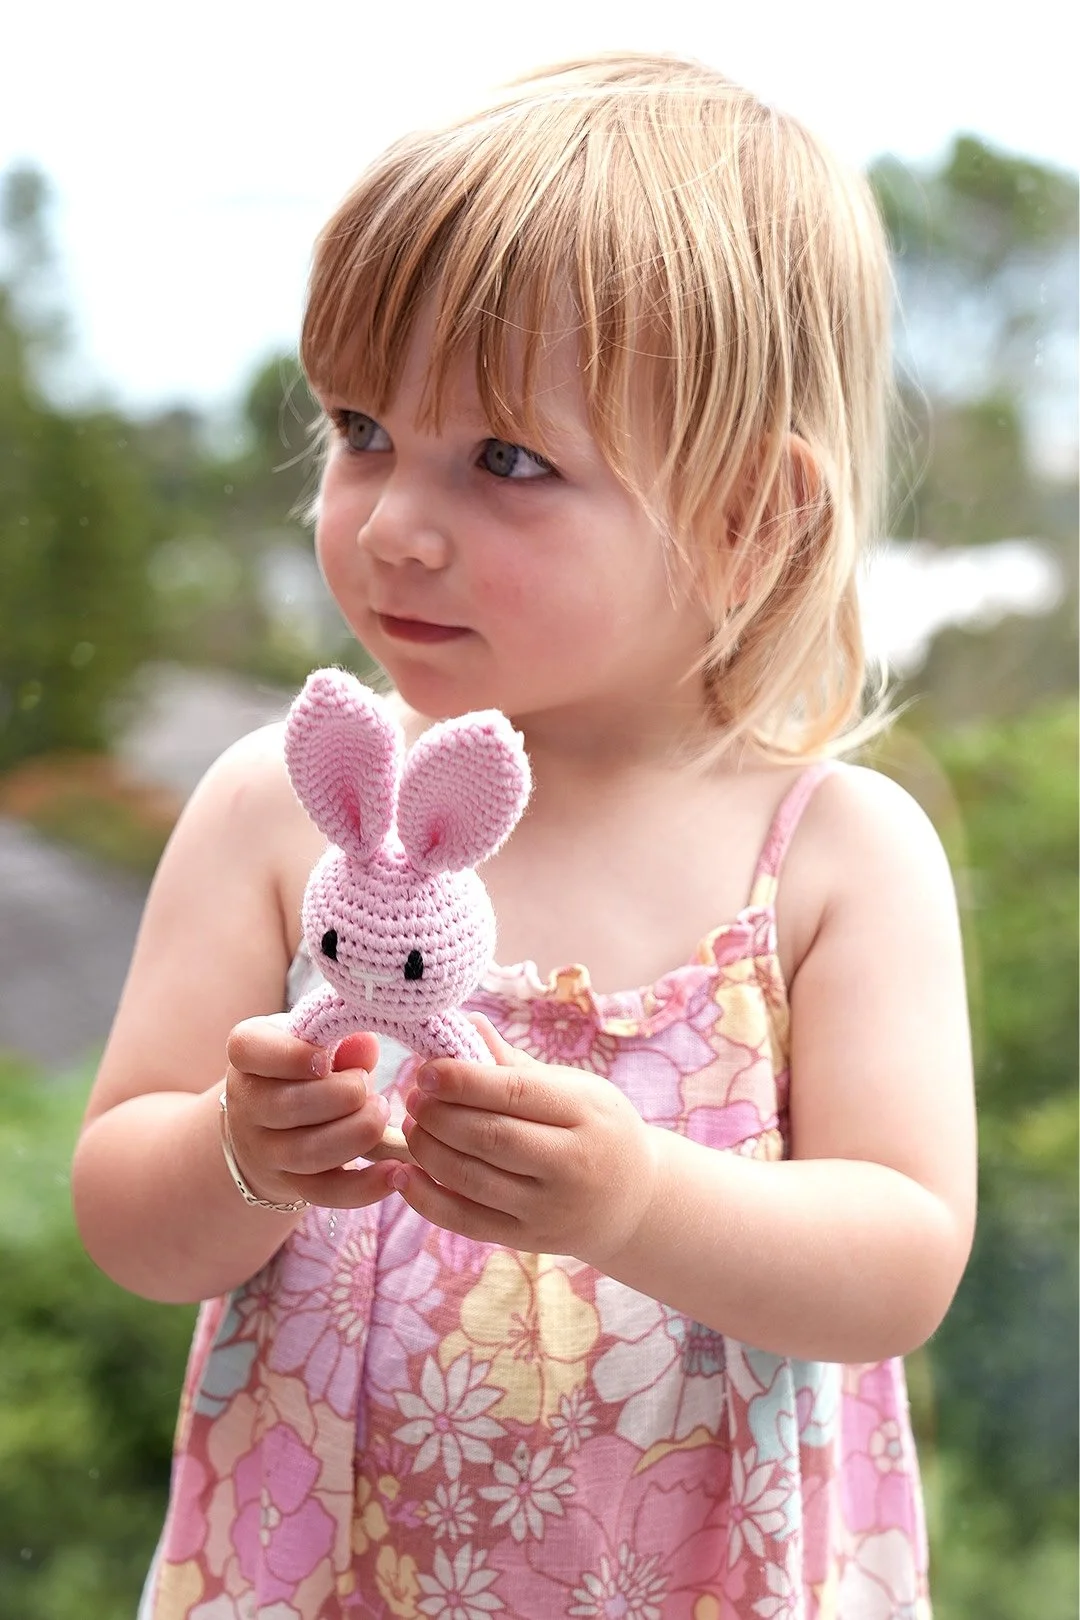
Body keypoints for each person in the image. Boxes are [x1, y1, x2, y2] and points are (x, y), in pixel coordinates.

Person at [72, 52, 976, 1620]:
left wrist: (640, 1204)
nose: (390, 523)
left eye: (504, 461)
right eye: (363, 428)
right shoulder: (286, 805)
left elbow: (898, 1261)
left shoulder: (834, 857)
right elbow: (128, 1221)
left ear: (752, 517)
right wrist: (239, 1151)